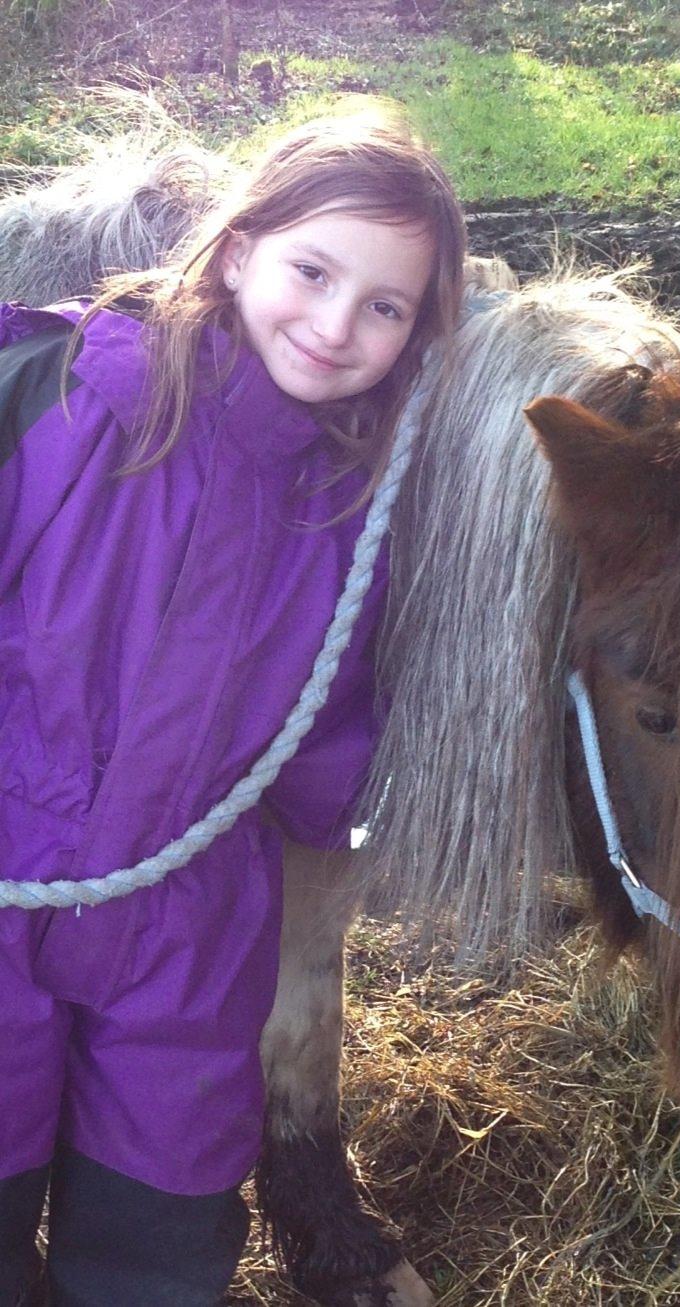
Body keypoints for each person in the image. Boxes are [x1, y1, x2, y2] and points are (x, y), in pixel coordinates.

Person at [0, 101, 466, 1305]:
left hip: (190, 935)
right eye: (314, 270)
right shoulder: (54, 397)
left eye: (384, 306)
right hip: (5, 877)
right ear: (238, 245)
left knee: (158, 1241)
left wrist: (361, 815)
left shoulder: (349, 505)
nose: (333, 323)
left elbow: (326, 720)